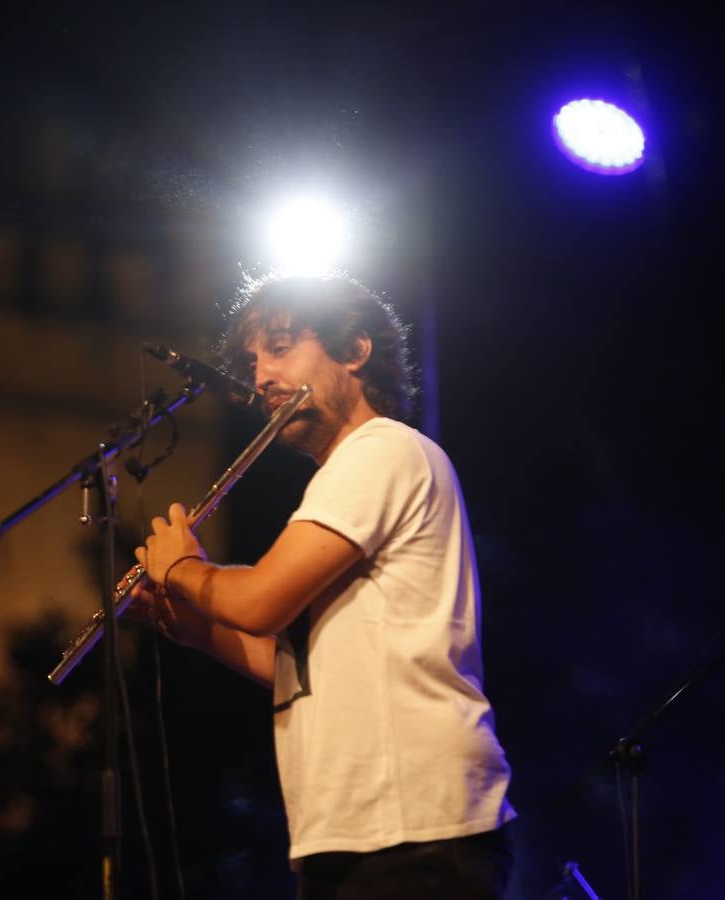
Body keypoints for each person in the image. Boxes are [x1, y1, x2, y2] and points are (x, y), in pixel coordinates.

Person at [132, 273, 516, 899]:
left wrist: (182, 567)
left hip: (417, 826)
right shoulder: (350, 473)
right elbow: (302, 663)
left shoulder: (381, 451)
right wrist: (199, 630)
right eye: (254, 361)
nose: (259, 378)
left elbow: (258, 602)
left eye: (280, 348)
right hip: (353, 829)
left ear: (355, 351)